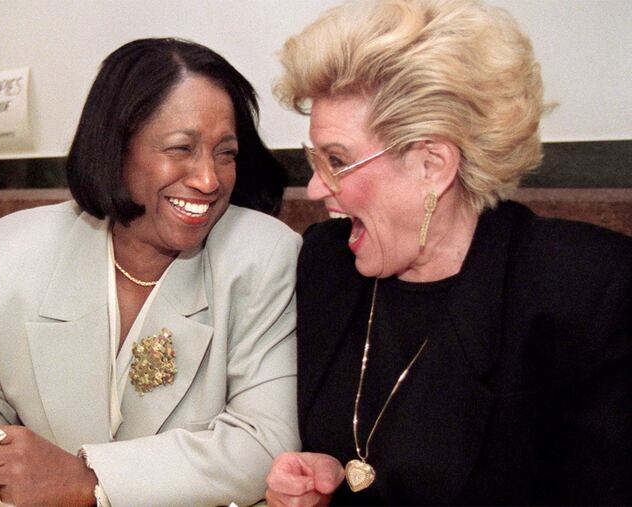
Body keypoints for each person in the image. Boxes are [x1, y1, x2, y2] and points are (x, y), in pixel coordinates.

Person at [0, 38, 301, 507]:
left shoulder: (262, 256)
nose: (208, 179)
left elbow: (266, 441)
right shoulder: (13, 252)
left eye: (226, 153)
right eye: (181, 148)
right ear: (115, 148)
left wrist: (89, 478)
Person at [265, 0, 632, 505]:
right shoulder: (324, 263)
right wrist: (326, 477)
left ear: (432, 164)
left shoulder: (586, 288)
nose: (314, 189)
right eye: (315, 160)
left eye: (336, 161)